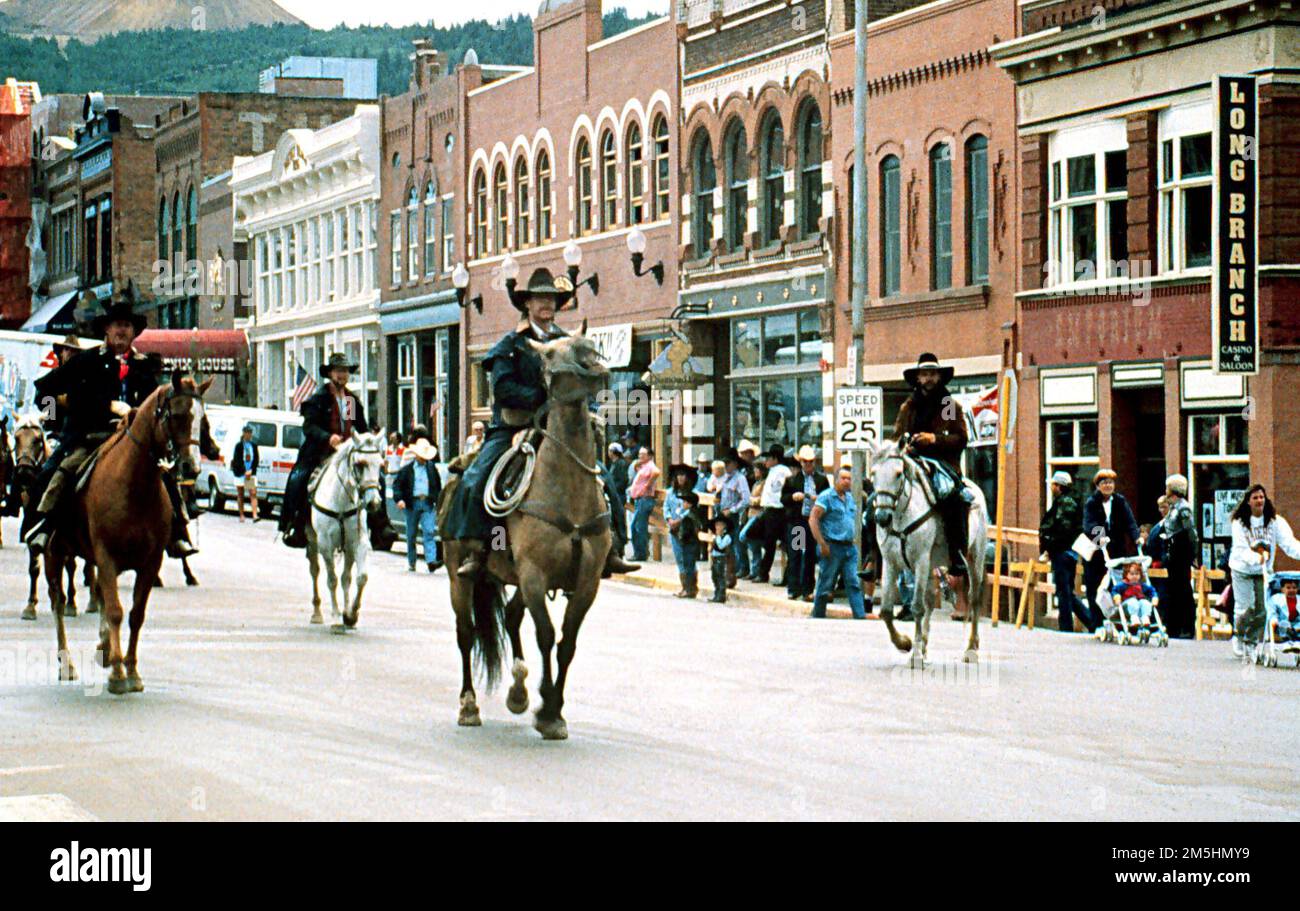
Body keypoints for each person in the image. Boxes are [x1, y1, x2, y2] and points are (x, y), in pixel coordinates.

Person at [445, 267, 638, 579]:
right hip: (514, 427)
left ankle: (612, 547)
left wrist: (586, 408)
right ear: (528, 305)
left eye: (551, 298)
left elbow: (583, 383)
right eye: (539, 299)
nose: (546, 304)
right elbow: (503, 389)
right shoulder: (512, 344)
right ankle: (482, 547)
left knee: (603, 478)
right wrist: (541, 397)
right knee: (477, 478)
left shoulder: (569, 343)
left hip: (560, 430)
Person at [25, 294, 196, 559]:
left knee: (165, 476)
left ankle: (177, 531)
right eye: (116, 325)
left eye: (127, 326)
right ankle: (45, 525)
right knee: (58, 472)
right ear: (106, 329)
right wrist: (58, 418)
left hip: (136, 440)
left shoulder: (145, 366)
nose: (121, 330)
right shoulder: (87, 361)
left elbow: (158, 405)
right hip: (92, 437)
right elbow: (43, 390)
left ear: (134, 332)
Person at [893, 353, 974, 589]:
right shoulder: (909, 406)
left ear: (939, 377)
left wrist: (934, 439)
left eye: (932, 374)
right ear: (917, 378)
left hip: (942, 462)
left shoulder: (948, 405)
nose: (928, 379)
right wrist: (904, 445)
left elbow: (959, 438)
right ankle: (873, 559)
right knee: (884, 496)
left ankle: (957, 555)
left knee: (952, 497)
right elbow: (896, 435)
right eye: (924, 374)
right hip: (912, 460)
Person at [279, 352, 371, 548]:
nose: (342, 375)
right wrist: (328, 438)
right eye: (338, 371)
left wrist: (370, 442)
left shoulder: (350, 401)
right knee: (299, 478)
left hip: (347, 454)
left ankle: (380, 526)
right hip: (320, 452)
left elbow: (361, 427)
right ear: (330, 374)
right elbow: (309, 427)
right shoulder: (319, 398)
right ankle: (295, 524)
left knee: (373, 478)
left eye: (345, 371)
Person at [1227, 484, 1300, 654]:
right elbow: (1240, 549)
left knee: (1262, 610)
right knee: (1246, 607)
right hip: (1242, 569)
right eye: (1255, 498)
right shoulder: (1239, 523)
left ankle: (1251, 642)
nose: (1259, 500)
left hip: (1263, 572)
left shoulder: (1275, 521)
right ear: (1248, 502)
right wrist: (1257, 558)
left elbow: (1289, 544)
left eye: (1262, 497)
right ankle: (1239, 636)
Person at [1081, 469, 1142, 619]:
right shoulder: (1091, 503)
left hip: (1115, 550)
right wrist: (1099, 536)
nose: (1108, 486)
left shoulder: (1120, 501)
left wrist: (1136, 537)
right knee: (1095, 585)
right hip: (1097, 550)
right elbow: (1089, 524)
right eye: (1104, 483)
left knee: (1116, 584)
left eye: (1110, 482)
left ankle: (1117, 619)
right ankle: (1097, 622)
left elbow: (1130, 522)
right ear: (1097, 486)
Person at [809, 466, 868, 620]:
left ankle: (860, 615)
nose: (846, 481)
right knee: (825, 583)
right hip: (832, 545)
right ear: (836, 480)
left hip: (849, 547)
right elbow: (813, 519)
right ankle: (818, 614)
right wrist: (822, 543)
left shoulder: (850, 498)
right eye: (843, 478)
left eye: (849, 478)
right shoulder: (826, 497)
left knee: (853, 582)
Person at [1039, 470, 1089, 632]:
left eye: (1053, 484)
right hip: (1068, 552)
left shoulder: (1065, 503)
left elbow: (1061, 529)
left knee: (1063, 591)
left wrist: (1049, 547)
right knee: (1067, 591)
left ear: (1058, 486)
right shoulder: (1070, 501)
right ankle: (1092, 622)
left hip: (1062, 552)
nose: (1052, 487)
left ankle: (1066, 627)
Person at [780, 445, 828, 601]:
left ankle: (808, 588)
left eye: (811, 462)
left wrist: (817, 499)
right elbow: (783, 499)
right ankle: (794, 588)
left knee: (810, 556)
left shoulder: (821, 479)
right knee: (795, 554)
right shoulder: (793, 480)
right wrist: (793, 497)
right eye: (805, 462)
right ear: (800, 462)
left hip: (813, 523)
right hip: (798, 522)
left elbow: (828, 498)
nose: (808, 465)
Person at [393, 437, 443, 572]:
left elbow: (437, 486)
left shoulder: (432, 468)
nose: (423, 459)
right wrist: (399, 499)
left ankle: (431, 561)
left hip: (427, 503)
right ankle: (412, 562)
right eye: (421, 456)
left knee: (429, 531)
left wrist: (438, 502)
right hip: (412, 504)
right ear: (416, 455)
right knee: (411, 534)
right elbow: (397, 486)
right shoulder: (406, 470)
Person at [1160, 473, 1198, 638]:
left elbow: (1190, 532)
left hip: (1181, 551)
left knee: (1183, 589)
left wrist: (1193, 554)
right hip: (1173, 551)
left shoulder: (1183, 508)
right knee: (1173, 589)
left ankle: (1187, 626)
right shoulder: (1173, 507)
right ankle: (1173, 625)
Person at [754, 444, 792, 585]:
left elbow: (777, 490)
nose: (766, 461)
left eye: (768, 458)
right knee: (768, 543)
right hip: (770, 510)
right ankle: (763, 572)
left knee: (773, 544)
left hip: (777, 510)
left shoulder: (781, 471)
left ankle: (764, 573)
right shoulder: (773, 471)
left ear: (775, 458)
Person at [716, 449, 751, 586]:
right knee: (724, 544)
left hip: (733, 515)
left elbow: (746, 499)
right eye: (724, 463)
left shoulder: (740, 479)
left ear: (735, 464)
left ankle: (740, 569)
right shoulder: (725, 477)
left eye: (728, 463)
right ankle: (729, 572)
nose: (726, 465)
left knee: (735, 543)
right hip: (723, 513)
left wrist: (732, 510)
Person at [664, 468, 700, 598]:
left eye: (683, 475)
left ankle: (692, 587)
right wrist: (669, 519)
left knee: (688, 558)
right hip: (674, 529)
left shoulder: (692, 494)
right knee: (679, 558)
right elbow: (666, 507)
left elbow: (692, 511)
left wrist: (678, 520)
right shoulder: (670, 493)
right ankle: (685, 586)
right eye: (678, 475)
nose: (680, 478)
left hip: (687, 528)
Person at [627, 446, 661, 563]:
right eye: (640, 453)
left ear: (650, 456)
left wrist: (648, 485)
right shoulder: (643, 466)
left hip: (644, 499)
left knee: (637, 526)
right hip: (639, 499)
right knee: (637, 526)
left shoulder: (651, 466)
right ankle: (640, 552)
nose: (640, 456)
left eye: (643, 454)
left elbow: (657, 472)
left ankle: (641, 553)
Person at [737, 462, 766, 581]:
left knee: (743, 536)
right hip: (750, 514)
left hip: (758, 515)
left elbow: (763, 499)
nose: (755, 473)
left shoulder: (764, 484)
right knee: (753, 544)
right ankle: (754, 570)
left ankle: (758, 569)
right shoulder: (755, 484)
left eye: (757, 470)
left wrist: (751, 501)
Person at [1111, 562, 1157, 635]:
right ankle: (1134, 618)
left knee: (1145, 602)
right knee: (1133, 601)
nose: (1134, 576)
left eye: (1137, 574)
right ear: (1126, 575)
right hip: (1127, 606)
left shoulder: (1142, 585)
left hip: (1140, 605)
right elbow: (1115, 590)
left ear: (1140, 575)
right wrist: (1116, 596)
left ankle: (1145, 617)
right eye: (1132, 574)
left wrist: (1154, 597)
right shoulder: (1123, 585)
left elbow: (1151, 590)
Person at [230, 424, 261, 523]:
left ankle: (255, 514)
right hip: (240, 473)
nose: (249, 435)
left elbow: (256, 459)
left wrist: (251, 470)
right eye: (247, 433)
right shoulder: (239, 446)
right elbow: (237, 460)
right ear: (243, 434)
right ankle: (241, 514)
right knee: (240, 493)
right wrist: (244, 470)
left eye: (250, 433)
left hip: (250, 473)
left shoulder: (254, 446)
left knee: (253, 492)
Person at [709, 514, 733, 603]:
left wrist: (718, 537)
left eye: (720, 525)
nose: (718, 527)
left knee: (720, 577)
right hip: (715, 558)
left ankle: (721, 595)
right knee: (714, 576)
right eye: (716, 525)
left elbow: (721, 546)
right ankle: (716, 594)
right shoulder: (715, 536)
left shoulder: (727, 537)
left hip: (721, 558)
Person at [1268, 577, 1299, 643]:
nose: (1292, 590)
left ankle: (1292, 632)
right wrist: (1274, 622)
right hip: (1281, 624)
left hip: (1296, 625)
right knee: (1278, 623)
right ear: (1282, 589)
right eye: (1288, 588)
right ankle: (1283, 635)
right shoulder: (1276, 598)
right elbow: (1272, 612)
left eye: (1294, 588)